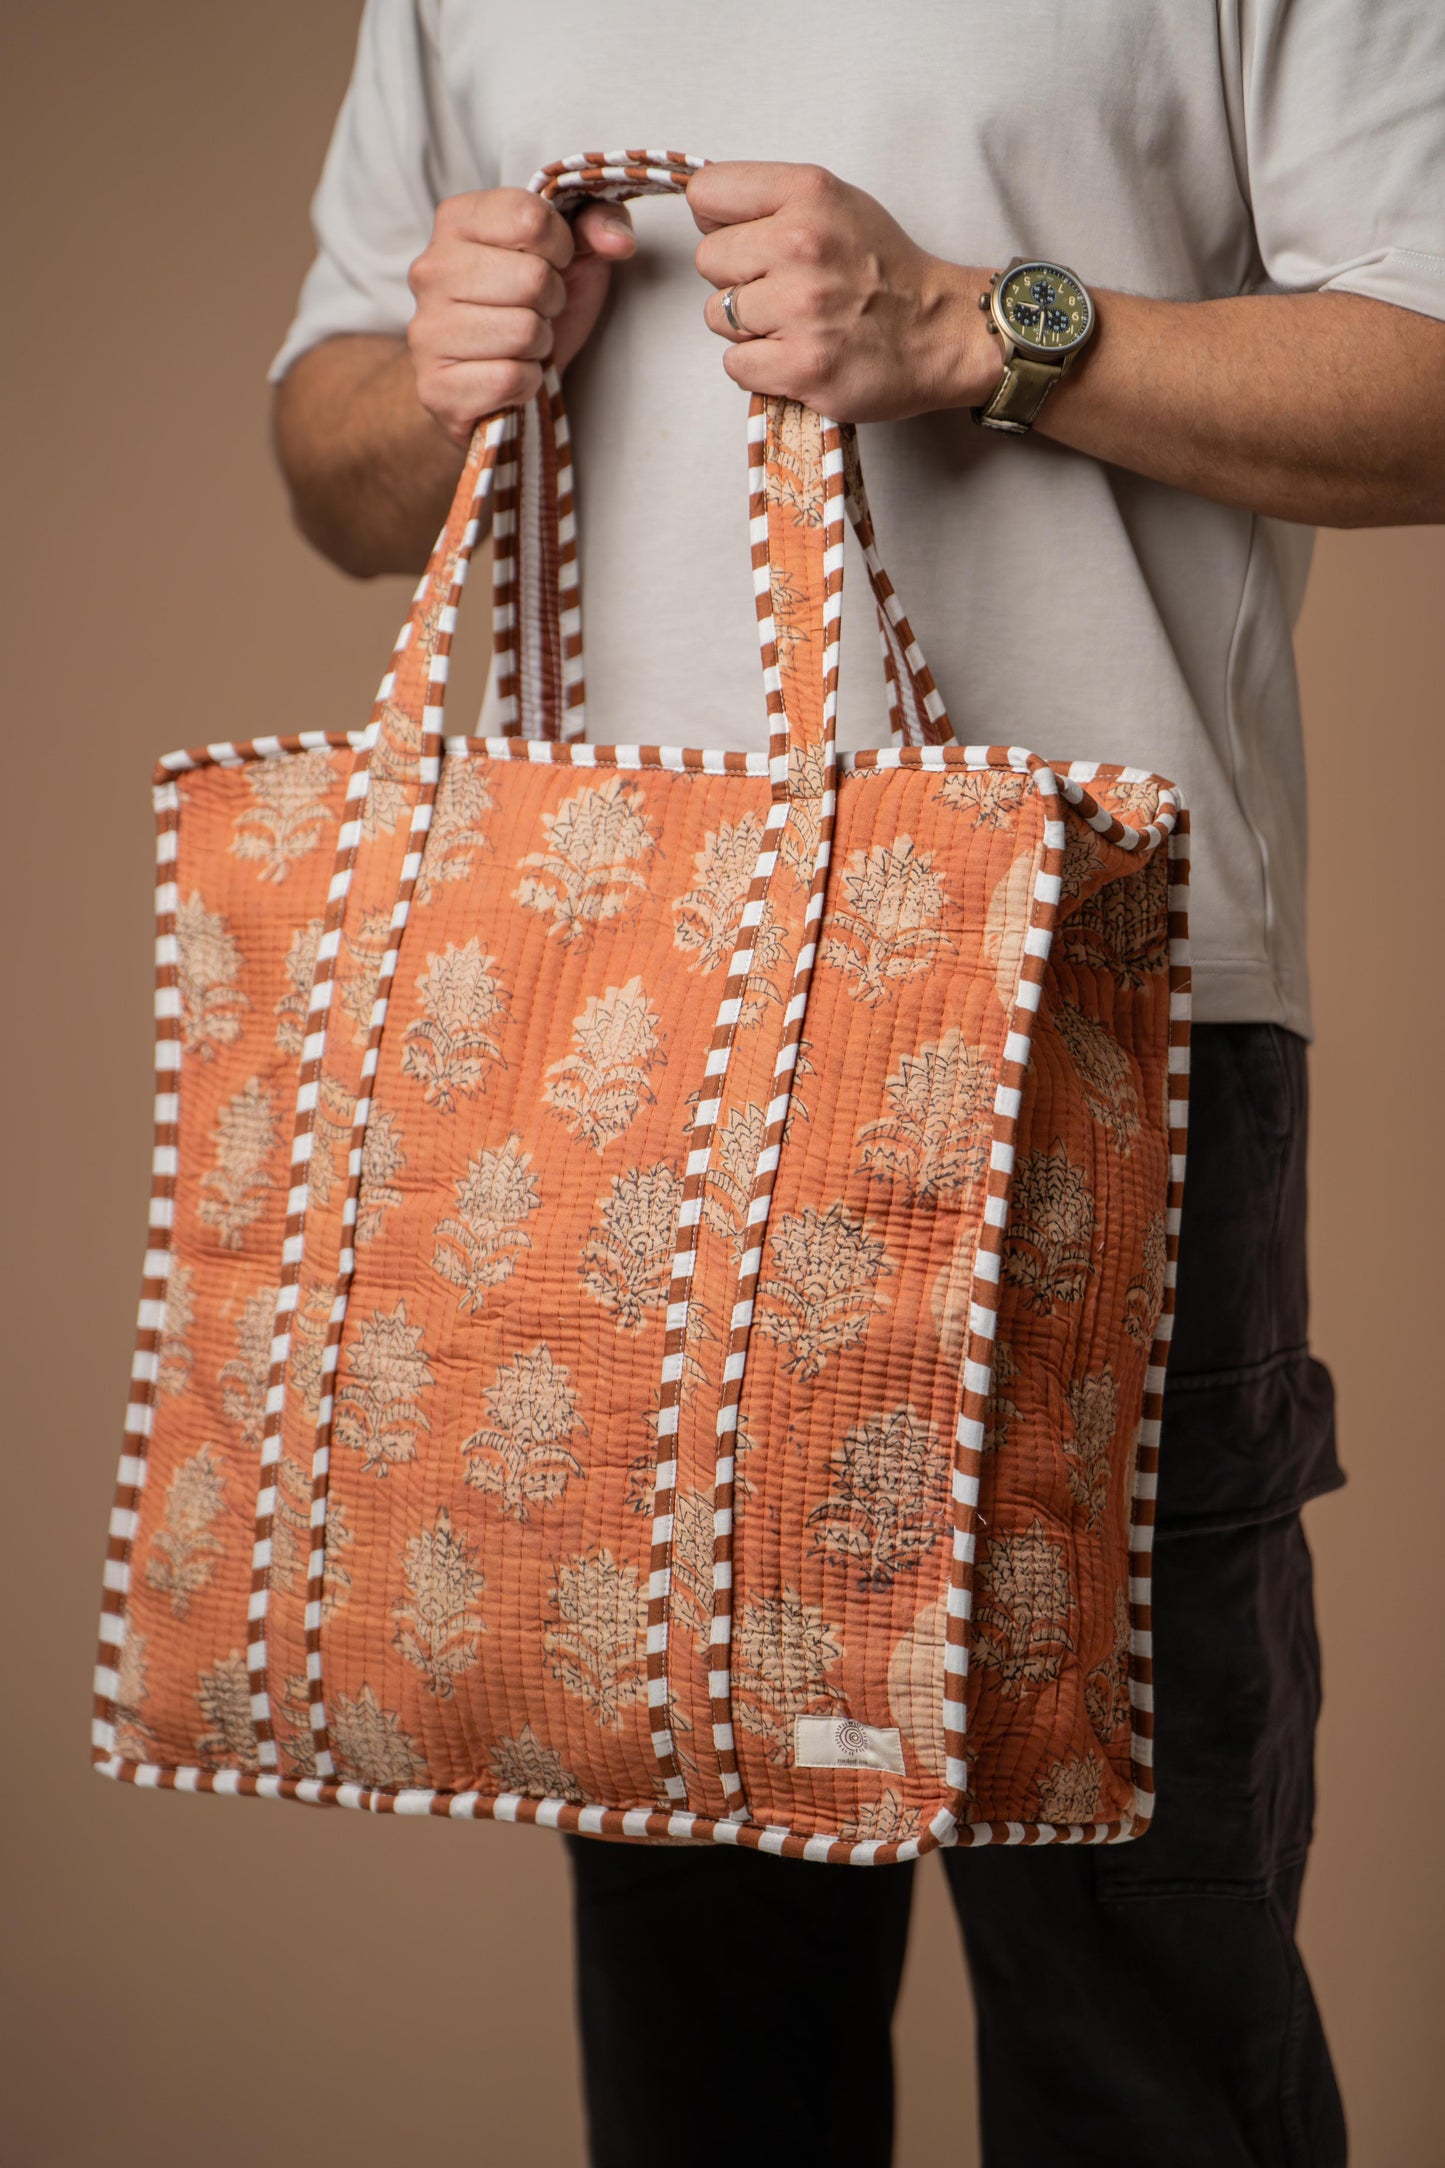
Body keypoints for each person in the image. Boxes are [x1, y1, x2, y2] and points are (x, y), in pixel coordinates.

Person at [270, 7, 1445, 2162]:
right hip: (612, 1050)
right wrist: (433, 378)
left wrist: (988, 325)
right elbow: (330, 456)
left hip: (1091, 1025)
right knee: (706, 2030)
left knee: (1140, 2016)